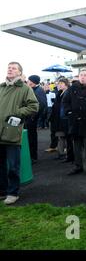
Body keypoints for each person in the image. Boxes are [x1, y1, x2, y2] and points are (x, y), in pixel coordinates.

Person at [0, 62, 39, 205]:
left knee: (13, 165)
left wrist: (16, 113)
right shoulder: (2, 87)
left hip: (12, 132)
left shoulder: (24, 88)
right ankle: (3, 190)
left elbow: (34, 106)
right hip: (0, 131)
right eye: (9, 67)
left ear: (19, 72)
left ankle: (13, 192)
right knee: (1, 165)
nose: (10, 69)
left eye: (13, 68)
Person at [51, 78, 74, 162]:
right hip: (60, 119)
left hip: (65, 119)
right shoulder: (60, 93)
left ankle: (69, 155)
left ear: (66, 84)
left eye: (61, 83)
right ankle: (62, 154)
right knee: (61, 136)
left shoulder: (68, 93)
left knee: (68, 138)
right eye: (58, 83)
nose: (59, 85)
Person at [26, 75, 47, 164]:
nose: (27, 82)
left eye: (28, 80)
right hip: (31, 118)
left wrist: (33, 117)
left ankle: (33, 157)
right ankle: (31, 156)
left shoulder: (38, 91)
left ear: (32, 82)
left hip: (32, 119)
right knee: (30, 138)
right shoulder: (35, 89)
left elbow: (41, 105)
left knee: (32, 138)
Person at [44, 83, 58, 153]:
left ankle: (56, 146)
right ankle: (54, 146)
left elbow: (54, 103)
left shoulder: (54, 93)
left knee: (56, 131)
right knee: (53, 131)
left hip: (54, 112)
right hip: (49, 111)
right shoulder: (44, 93)